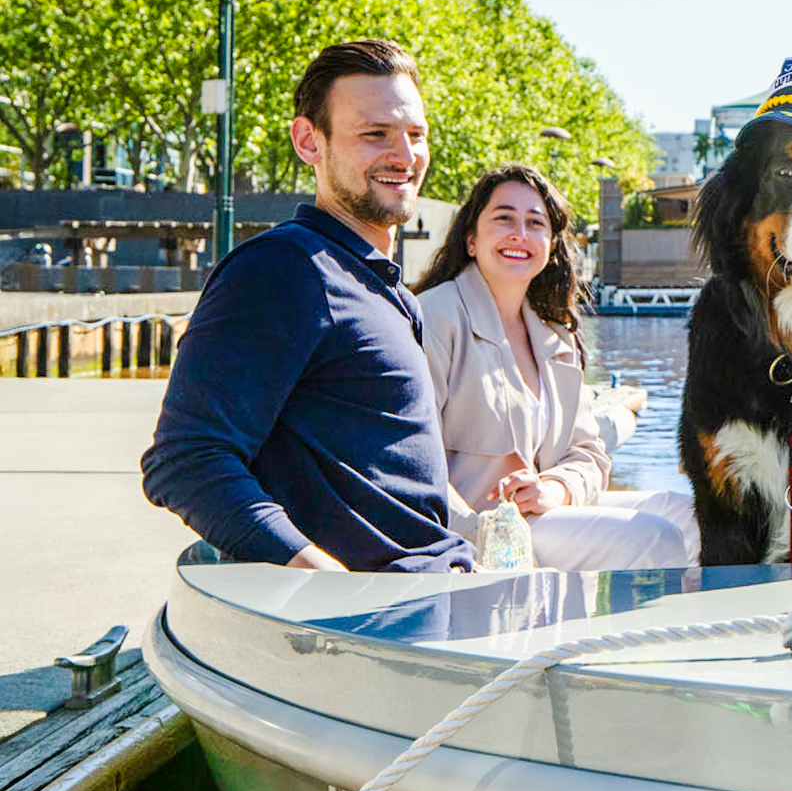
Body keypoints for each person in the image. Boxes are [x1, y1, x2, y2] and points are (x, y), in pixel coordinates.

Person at [142, 39, 473, 573]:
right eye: (375, 135)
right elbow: (185, 460)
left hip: (437, 589)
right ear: (308, 141)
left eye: (416, 135)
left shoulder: (385, 289)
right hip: (377, 622)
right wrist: (318, 578)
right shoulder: (282, 269)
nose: (406, 157)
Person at [412, 164, 699, 572]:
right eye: (504, 218)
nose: (521, 234)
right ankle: (628, 637)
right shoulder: (435, 317)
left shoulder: (555, 336)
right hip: (478, 530)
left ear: (550, 245)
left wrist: (555, 488)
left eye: (535, 223)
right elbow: (412, 460)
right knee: (653, 539)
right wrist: (489, 538)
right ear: (471, 240)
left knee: (691, 518)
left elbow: (589, 452)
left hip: (543, 512)